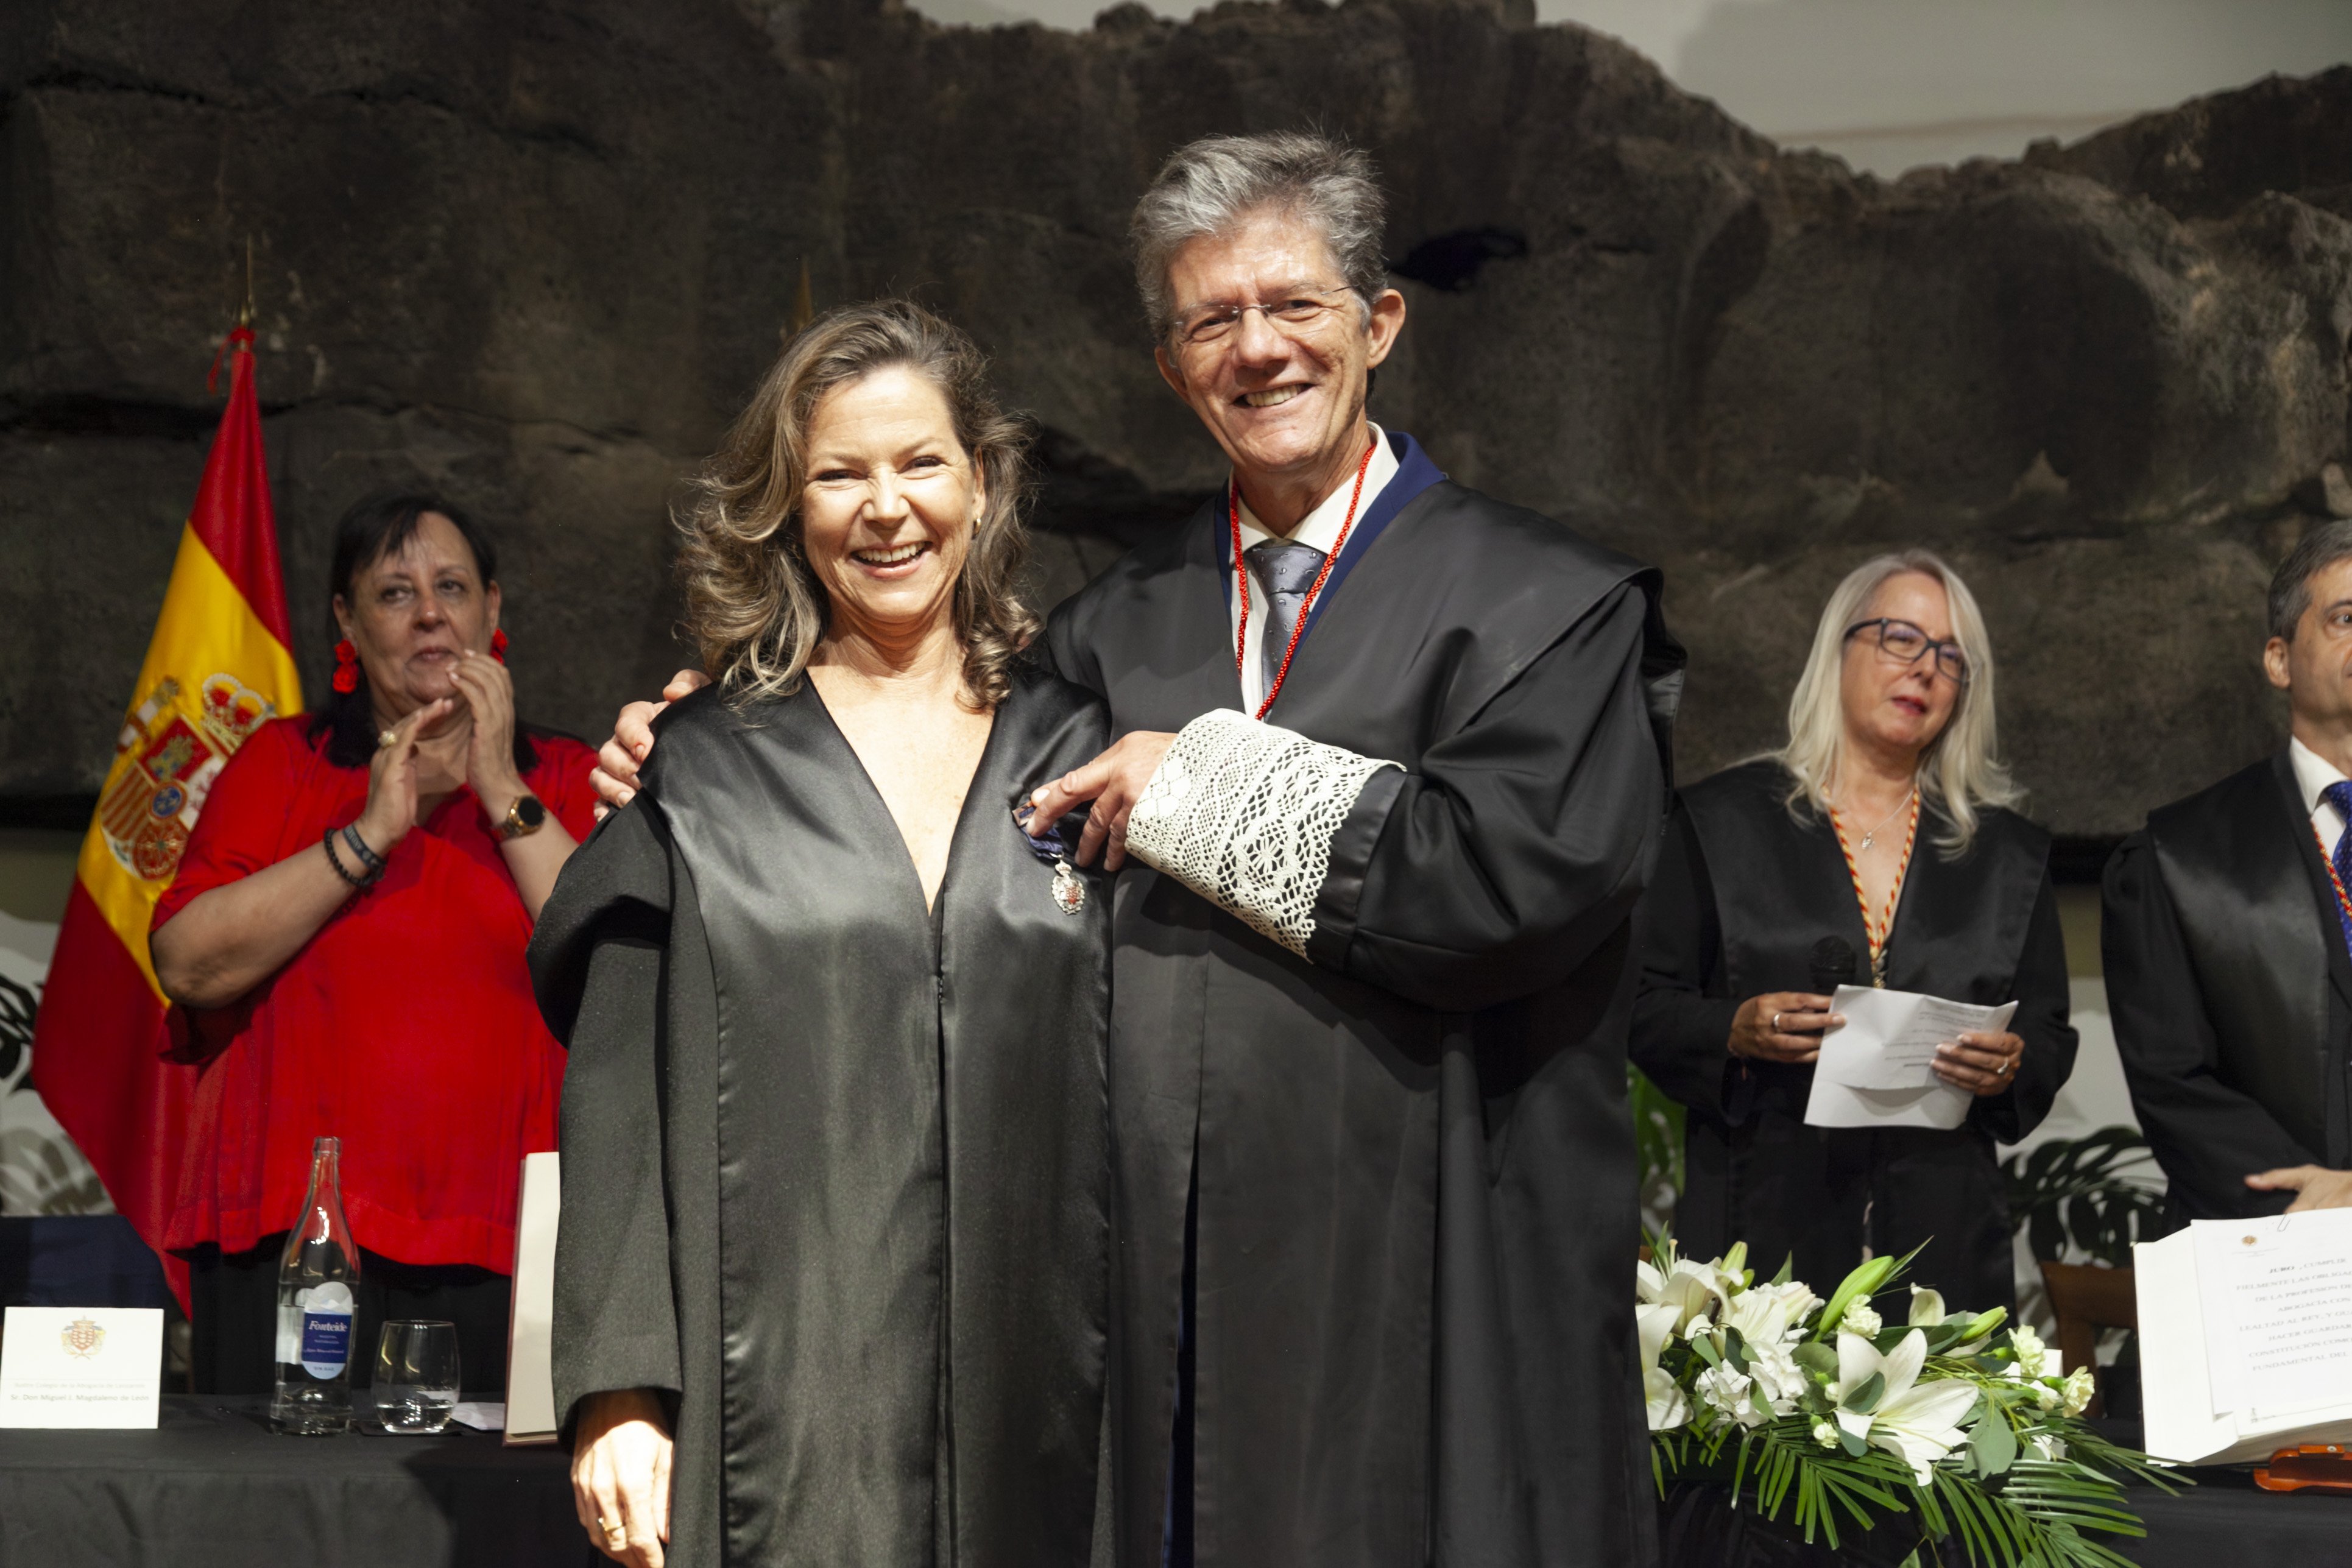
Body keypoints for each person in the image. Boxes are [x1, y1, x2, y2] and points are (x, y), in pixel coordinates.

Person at [600, 132, 1681, 1568]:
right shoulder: (1114, 632)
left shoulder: (1548, 608)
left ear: (1378, 321)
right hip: (1153, 1339)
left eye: (1293, 304)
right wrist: (720, 740)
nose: (1258, 349)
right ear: (1172, 367)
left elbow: (1506, 883)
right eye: (1208, 320)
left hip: (1427, 1303)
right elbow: (937, 825)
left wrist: (1205, 786)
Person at [530, 302, 1112, 1568]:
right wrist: (621, 1388)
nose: (885, 507)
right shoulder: (700, 770)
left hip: (1052, 1402)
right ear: (786, 512)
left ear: (983, 482)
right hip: (782, 1418)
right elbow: (618, 1095)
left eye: (920, 464)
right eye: (838, 475)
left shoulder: (1083, 752)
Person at [150, 492, 596, 1396]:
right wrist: (368, 834)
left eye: (452, 586)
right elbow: (189, 964)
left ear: (493, 609)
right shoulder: (283, 765)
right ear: (347, 622)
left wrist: (499, 782)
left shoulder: (563, 778)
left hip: (503, 1242)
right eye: (395, 592)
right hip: (292, 1237)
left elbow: (607, 973)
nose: (431, 611)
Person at [1630, 553, 2075, 1315]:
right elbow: (1639, 1005)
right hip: (1761, 1229)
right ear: (1840, 648)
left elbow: (2048, 1031)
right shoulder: (1720, 823)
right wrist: (1732, 1028)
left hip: (1942, 1233)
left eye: (1950, 657)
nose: (1926, 669)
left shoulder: (2008, 856)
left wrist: (2012, 1062)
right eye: (1901, 639)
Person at [2106, 519, 2352, 1223]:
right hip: (2268, 1255)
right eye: (2346, 616)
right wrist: (2317, 1199)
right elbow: (2173, 1078)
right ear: (2279, 659)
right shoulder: (2177, 857)